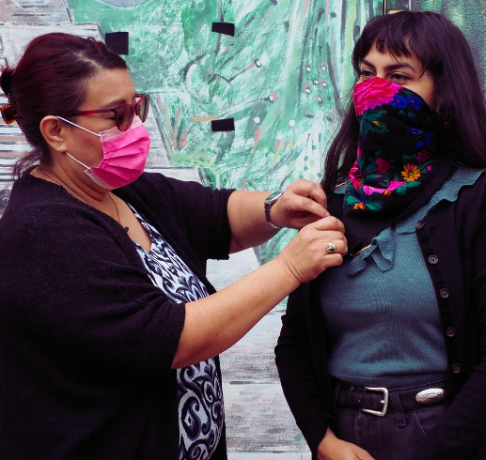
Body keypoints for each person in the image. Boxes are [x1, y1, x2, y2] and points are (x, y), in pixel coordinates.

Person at [0, 33, 349, 460]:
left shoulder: (122, 192)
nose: (135, 128)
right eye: (116, 116)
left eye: (137, 108)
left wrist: (276, 207)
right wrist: (290, 268)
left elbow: (218, 215)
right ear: (56, 131)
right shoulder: (42, 231)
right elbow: (171, 339)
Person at [275, 10, 486, 460]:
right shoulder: (332, 203)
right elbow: (295, 343)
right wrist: (323, 440)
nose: (377, 91)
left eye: (400, 76)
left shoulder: (481, 199)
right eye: (366, 74)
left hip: (447, 439)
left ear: (444, 91)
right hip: (345, 440)